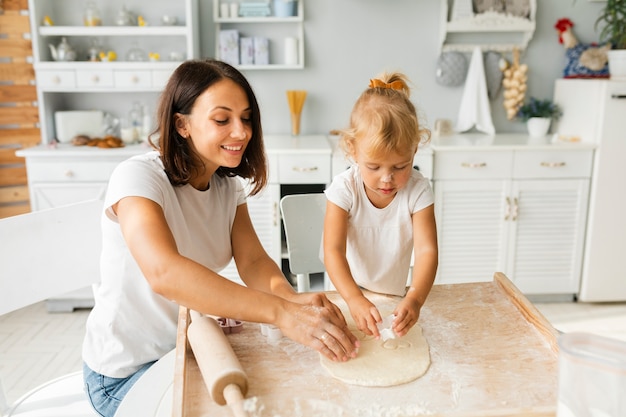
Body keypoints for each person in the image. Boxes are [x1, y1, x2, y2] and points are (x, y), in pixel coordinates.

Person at [82, 59, 358, 417]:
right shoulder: (136, 178)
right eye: (222, 119)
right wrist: (279, 313)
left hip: (190, 350)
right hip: (125, 374)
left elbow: (254, 262)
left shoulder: (227, 187)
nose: (241, 132)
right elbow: (164, 272)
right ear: (182, 124)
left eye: (246, 118)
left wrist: (292, 302)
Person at [323, 72, 438, 341]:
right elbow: (333, 251)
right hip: (344, 296)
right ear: (353, 150)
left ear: (414, 151)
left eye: (400, 167)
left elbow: (427, 250)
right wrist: (353, 298)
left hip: (394, 298)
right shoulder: (344, 189)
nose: (387, 178)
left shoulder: (418, 190)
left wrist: (416, 299)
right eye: (373, 167)